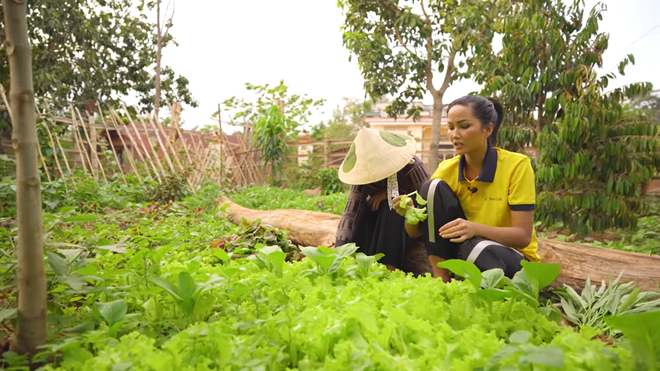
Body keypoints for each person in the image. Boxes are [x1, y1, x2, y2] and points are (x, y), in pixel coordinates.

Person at [394, 95, 541, 282]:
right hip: (465, 250)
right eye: (451, 127)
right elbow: (416, 232)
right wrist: (410, 213)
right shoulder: (446, 169)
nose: (455, 134)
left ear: (487, 129)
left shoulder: (516, 165)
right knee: (432, 187)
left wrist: (475, 228)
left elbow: (522, 236)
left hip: (512, 257)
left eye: (464, 126)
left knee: (478, 251)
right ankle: (442, 283)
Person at [335, 128, 430, 270]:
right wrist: (339, 250)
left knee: (391, 207)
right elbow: (352, 212)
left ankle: (388, 267)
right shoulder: (363, 174)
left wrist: (392, 195)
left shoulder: (411, 165)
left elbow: (428, 200)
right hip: (377, 227)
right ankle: (363, 264)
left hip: (409, 227)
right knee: (367, 210)